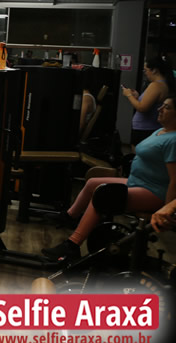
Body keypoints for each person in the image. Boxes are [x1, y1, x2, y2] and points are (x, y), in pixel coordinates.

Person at [42, 96, 176, 261]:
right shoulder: (161, 131)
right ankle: (70, 217)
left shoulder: (174, 140)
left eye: (167, 107)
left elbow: (174, 180)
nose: (159, 109)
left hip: (154, 192)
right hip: (138, 183)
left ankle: (72, 246)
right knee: (93, 183)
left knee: (104, 194)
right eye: (162, 105)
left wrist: (167, 209)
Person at [123, 56, 176, 149]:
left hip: (145, 129)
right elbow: (150, 103)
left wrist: (129, 95)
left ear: (154, 70)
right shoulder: (165, 84)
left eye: (146, 70)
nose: (145, 73)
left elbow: (142, 108)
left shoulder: (156, 85)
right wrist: (137, 97)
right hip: (150, 128)